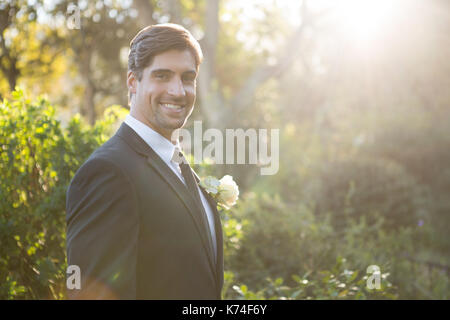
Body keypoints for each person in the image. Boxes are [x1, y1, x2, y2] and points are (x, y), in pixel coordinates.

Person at [66, 23, 223, 299]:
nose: (178, 91)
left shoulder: (178, 165)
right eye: (162, 76)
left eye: (187, 78)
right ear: (133, 83)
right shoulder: (108, 172)